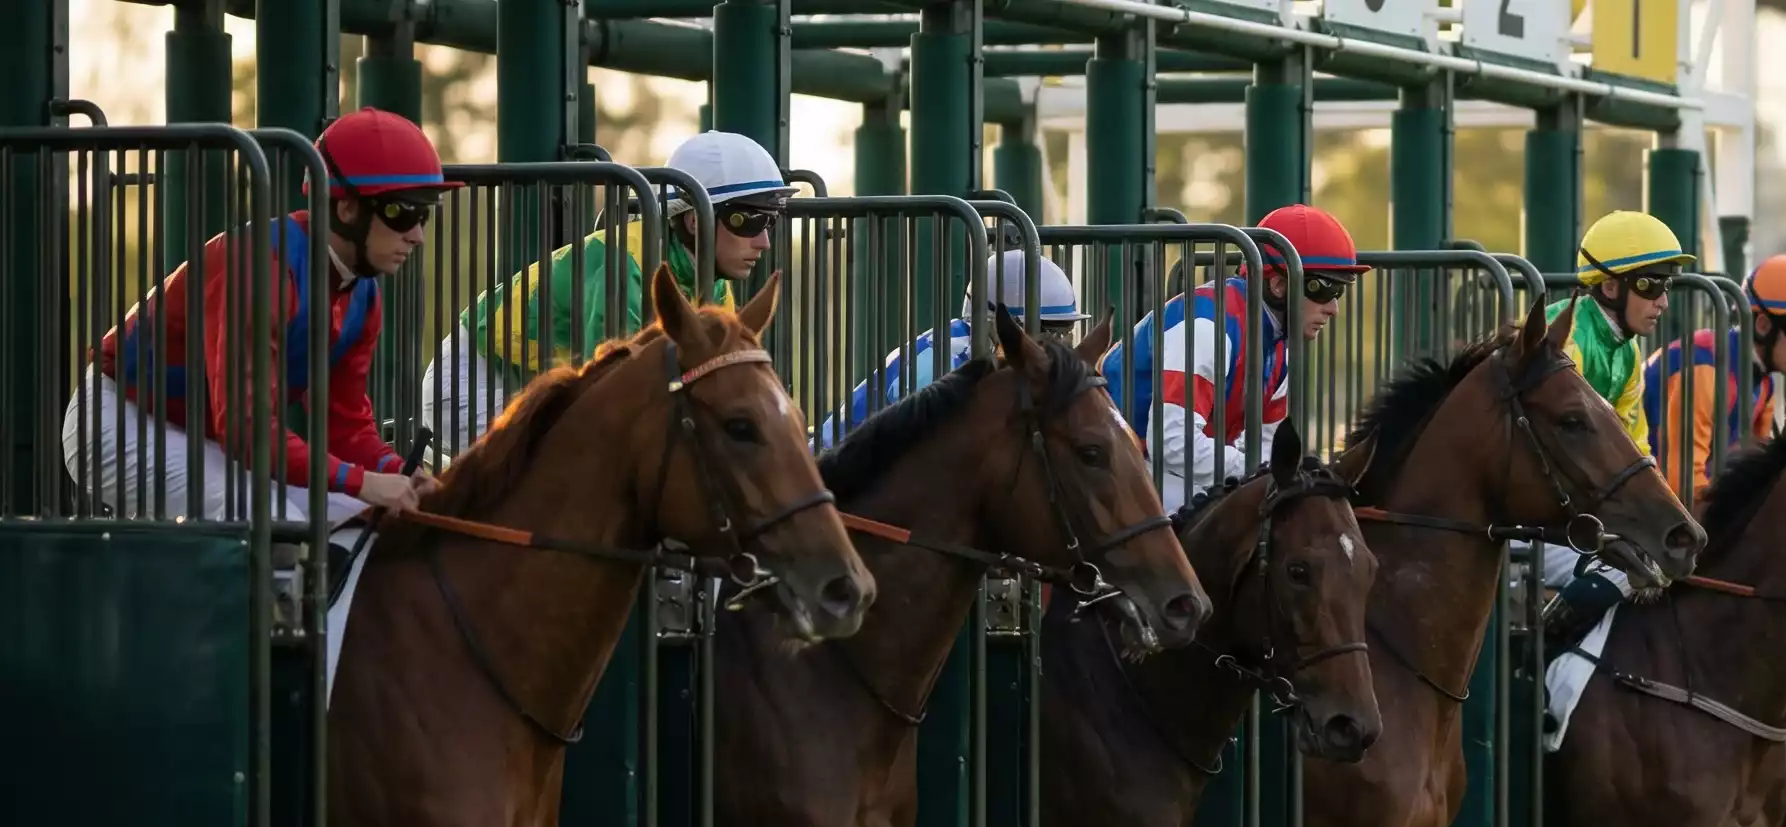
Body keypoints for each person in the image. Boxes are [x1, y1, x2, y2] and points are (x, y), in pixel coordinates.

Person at [64, 107, 448, 529]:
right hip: (118, 421)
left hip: (204, 436)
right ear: (347, 210)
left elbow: (346, 425)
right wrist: (363, 481)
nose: (417, 235)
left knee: (363, 519)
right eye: (402, 213)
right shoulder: (260, 269)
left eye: (424, 214)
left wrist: (398, 472)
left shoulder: (363, 295)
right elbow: (246, 429)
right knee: (274, 521)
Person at [422, 129, 783, 447]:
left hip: (531, 386)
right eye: (751, 221)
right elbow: (613, 389)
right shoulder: (625, 264)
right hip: (469, 385)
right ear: (694, 219)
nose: (764, 241)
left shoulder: (711, 284)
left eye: (771, 221)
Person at [1101, 203, 1363, 512]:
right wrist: (1266, 472)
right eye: (1325, 289)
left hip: (1172, 468)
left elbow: (1268, 447)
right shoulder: (1207, 328)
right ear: (1278, 285)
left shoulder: (1281, 343)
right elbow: (1171, 445)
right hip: (1123, 463)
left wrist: (1278, 473)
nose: (1333, 309)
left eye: (1341, 292)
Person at [1534, 210, 1697, 641]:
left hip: (1571, 513)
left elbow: (1636, 448)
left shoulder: (1626, 355)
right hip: (1528, 514)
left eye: (1667, 286)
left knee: (1654, 557)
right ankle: (1537, 651)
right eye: (1652, 285)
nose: (1663, 301)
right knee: (1632, 566)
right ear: (1609, 286)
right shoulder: (1564, 337)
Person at [823, 250, 1087, 445]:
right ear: (1002, 326)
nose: (1060, 346)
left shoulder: (970, 351)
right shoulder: (944, 363)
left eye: (1066, 333)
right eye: (1050, 333)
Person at [1640, 252, 1786, 493]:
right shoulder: (1703, 371)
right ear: (1763, 325)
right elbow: (1684, 485)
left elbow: (1755, 472)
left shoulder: (1764, 383)